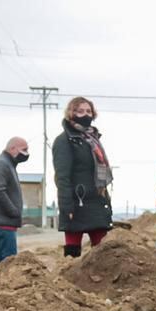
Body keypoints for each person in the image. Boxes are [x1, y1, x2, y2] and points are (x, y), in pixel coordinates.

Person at [52, 96, 113, 258]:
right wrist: (66, 207)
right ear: (71, 113)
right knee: (72, 255)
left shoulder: (93, 139)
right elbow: (62, 177)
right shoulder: (64, 140)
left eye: (88, 111)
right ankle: (67, 283)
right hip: (76, 202)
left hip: (96, 201)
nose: (85, 114)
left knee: (103, 255)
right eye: (80, 111)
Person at [0, 136, 29, 282]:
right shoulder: (2, 164)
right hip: (3, 222)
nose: (27, 154)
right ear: (12, 148)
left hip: (4, 222)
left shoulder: (7, 164)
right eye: (24, 150)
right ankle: (2, 291)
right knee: (9, 261)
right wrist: (14, 211)